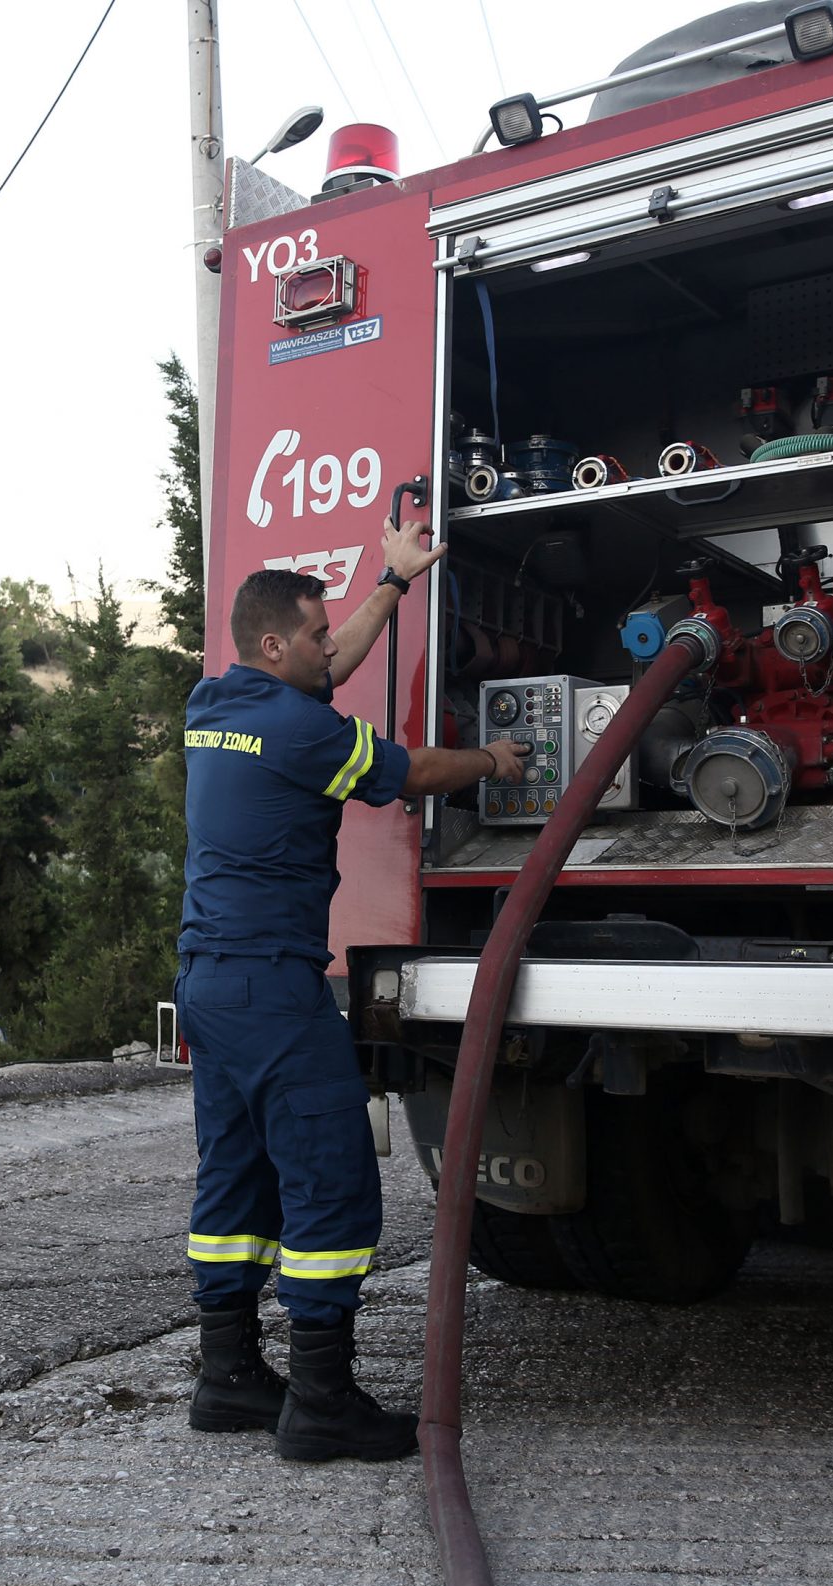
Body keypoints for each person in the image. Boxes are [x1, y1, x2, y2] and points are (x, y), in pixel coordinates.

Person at [177, 519, 526, 1462]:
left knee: (236, 1171)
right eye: (318, 633)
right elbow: (411, 773)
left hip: (208, 988)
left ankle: (228, 1378)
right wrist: (496, 764)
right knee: (328, 1179)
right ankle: (323, 1403)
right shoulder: (303, 733)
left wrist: (392, 583)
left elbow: (323, 678)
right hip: (274, 993)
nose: (334, 646)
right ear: (272, 645)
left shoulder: (214, 706)